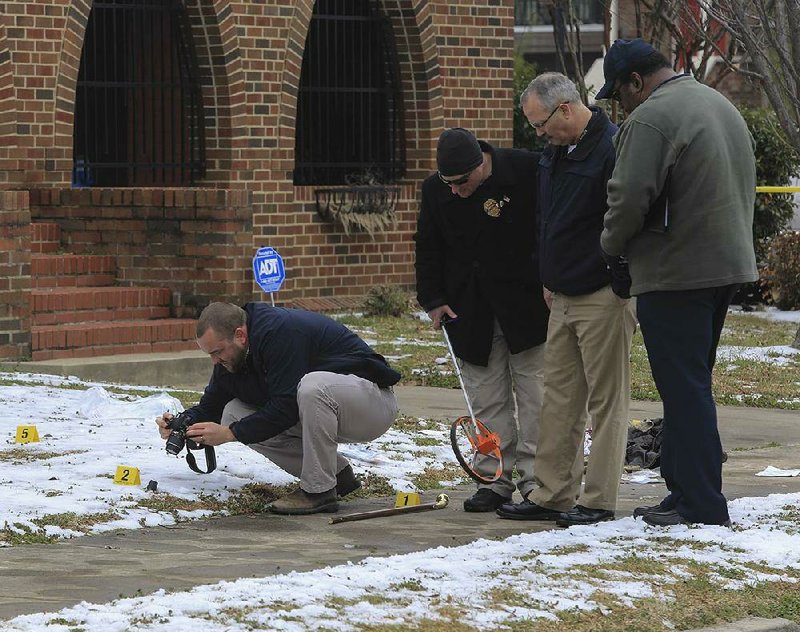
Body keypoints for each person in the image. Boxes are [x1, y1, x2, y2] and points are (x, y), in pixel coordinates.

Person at [596, 39, 758, 526]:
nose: (620, 105)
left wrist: (609, 247)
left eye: (619, 94)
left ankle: (702, 503)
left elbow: (627, 199)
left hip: (676, 271)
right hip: (723, 266)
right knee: (691, 384)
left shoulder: (651, 117)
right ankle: (685, 487)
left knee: (683, 388)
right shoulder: (718, 103)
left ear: (636, 81)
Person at [496, 73, 637, 526]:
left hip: (602, 294)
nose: (538, 135)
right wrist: (547, 277)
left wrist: (617, 280)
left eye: (540, 125)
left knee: (605, 401)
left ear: (564, 110)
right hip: (560, 293)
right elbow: (547, 219)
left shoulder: (611, 148)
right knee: (558, 398)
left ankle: (597, 499)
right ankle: (553, 492)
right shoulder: (554, 154)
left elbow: (625, 218)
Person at [155, 302, 400, 515]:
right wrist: (183, 421)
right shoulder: (234, 357)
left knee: (311, 387)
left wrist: (230, 434)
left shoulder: (280, 332)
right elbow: (212, 407)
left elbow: (285, 407)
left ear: (239, 335)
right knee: (234, 412)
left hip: (372, 405)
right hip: (323, 409)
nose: (214, 361)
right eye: (209, 355)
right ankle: (337, 476)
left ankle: (319, 492)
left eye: (217, 352)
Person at [414, 127, 550, 512]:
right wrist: (434, 299)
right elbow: (428, 245)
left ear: (482, 164)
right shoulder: (436, 189)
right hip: (469, 311)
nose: (455, 190)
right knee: (486, 403)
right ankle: (494, 477)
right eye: (448, 183)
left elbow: (548, 228)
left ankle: (537, 481)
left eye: (462, 182)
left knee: (536, 397)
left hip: (526, 307)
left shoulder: (526, 170)